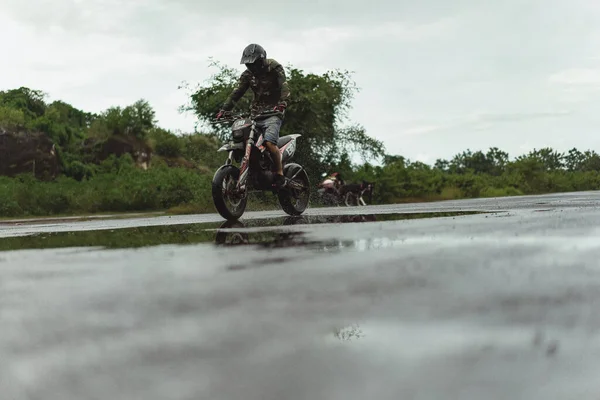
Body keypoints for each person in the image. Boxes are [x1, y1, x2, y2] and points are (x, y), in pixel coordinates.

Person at [216, 43, 291, 188]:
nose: (252, 67)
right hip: (255, 114)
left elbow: (284, 86)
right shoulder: (247, 75)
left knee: (269, 143)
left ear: (262, 60)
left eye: (254, 63)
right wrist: (224, 110)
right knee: (245, 141)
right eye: (249, 64)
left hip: (273, 112)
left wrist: (283, 103)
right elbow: (236, 92)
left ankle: (280, 174)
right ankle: (253, 172)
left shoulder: (274, 67)